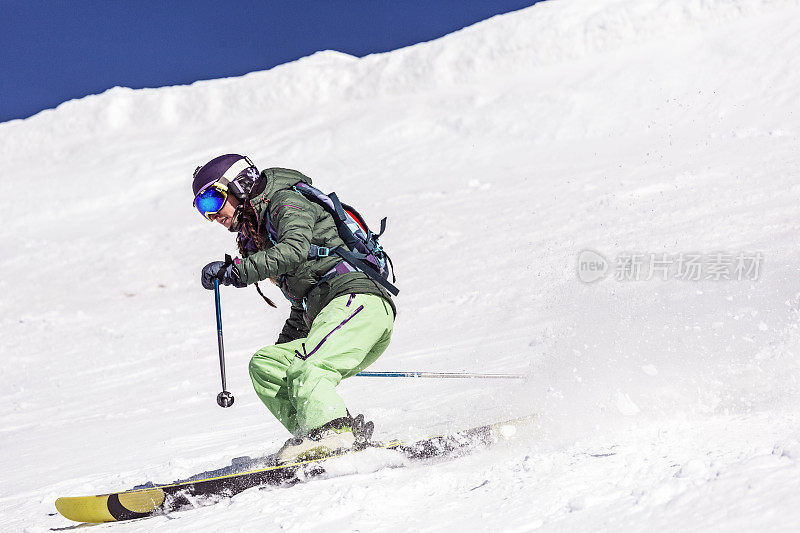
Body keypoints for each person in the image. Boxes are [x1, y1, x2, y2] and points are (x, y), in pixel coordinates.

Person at [191, 154, 396, 463]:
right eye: (203, 209)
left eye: (212, 199)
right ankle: (319, 432)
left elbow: (294, 250)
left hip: (358, 301)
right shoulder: (257, 235)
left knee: (309, 369)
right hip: (332, 311)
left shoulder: (285, 201)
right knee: (267, 365)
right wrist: (287, 355)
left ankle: (333, 431)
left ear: (239, 183)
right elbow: (302, 305)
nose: (213, 214)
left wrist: (236, 271)